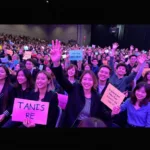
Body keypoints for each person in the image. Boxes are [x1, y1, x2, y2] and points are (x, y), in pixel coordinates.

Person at [50, 39, 111, 128]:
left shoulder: (97, 96)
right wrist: (56, 62)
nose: (87, 82)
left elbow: (102, 114)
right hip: (71, 124)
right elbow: (61, 78)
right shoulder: (74, 89)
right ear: (81, 81)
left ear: (94, 82)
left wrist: (113, 113)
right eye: (84, 79)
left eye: (90, 80)